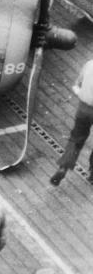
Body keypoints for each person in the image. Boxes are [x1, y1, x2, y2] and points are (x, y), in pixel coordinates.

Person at [50, 57, 93, 186]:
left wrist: (83, 94)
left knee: (76, 138)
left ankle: (64, 166)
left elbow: (76, 86)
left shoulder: (90, 64)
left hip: (84, 109)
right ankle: (92, 174)